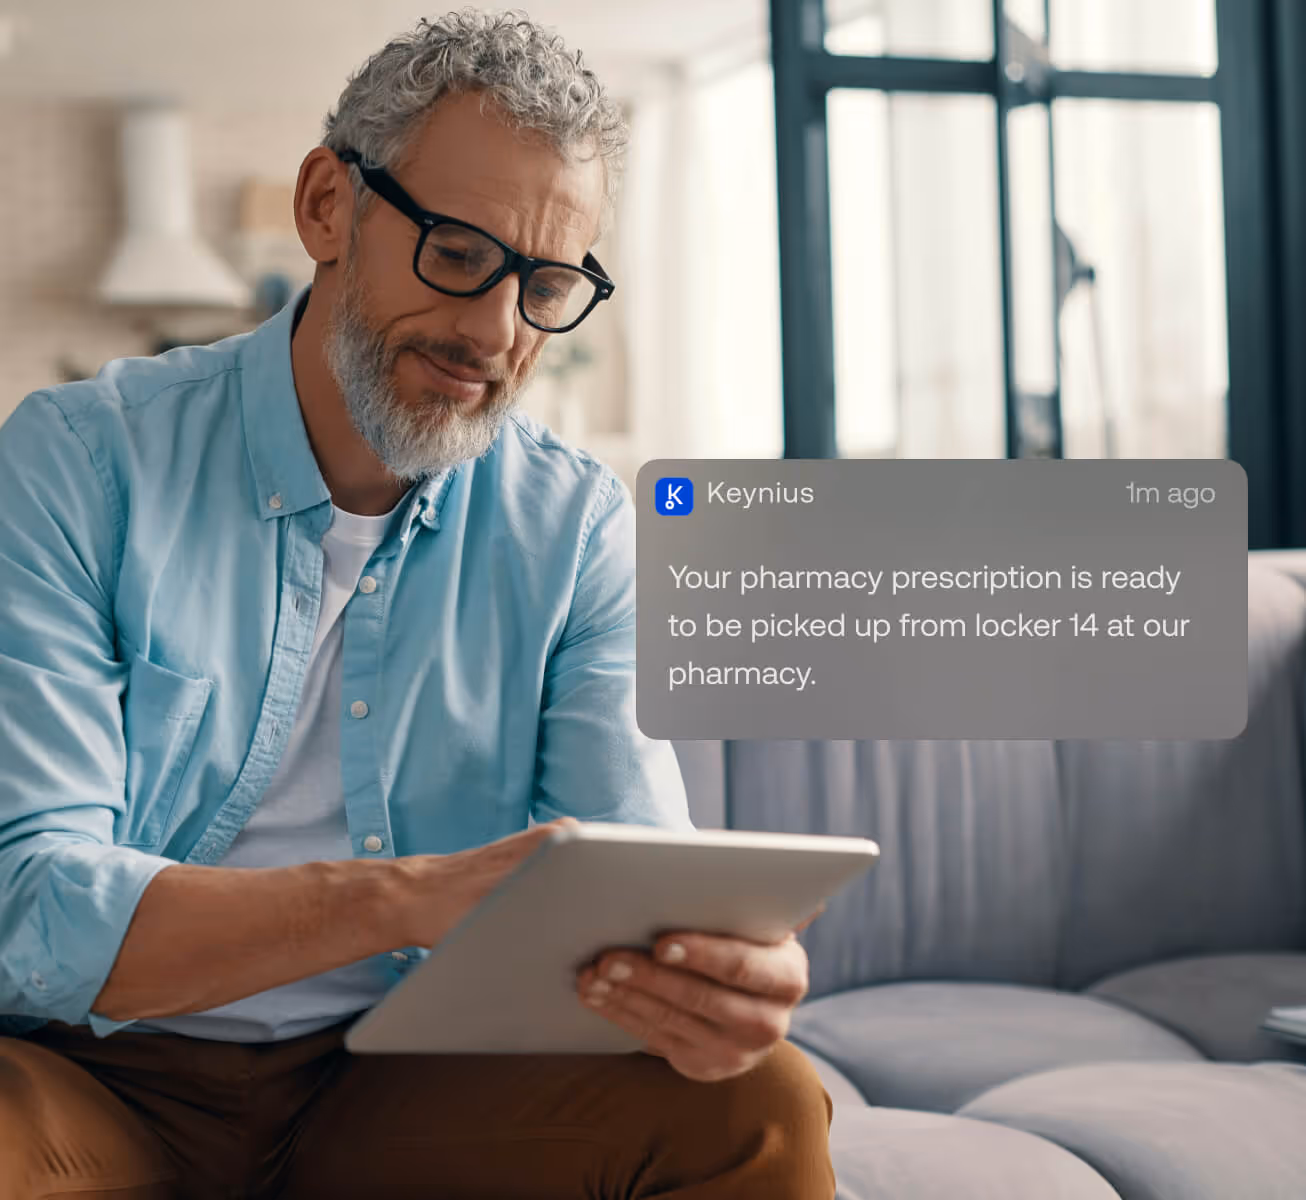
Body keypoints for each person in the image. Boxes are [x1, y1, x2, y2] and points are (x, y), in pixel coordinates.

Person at [0, 10, 835, 1198]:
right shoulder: (80, 462)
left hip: (394, 1087)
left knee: (757, 1104)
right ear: (327, 207)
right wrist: (405, 897)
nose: (493, 333)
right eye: (456, 253)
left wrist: (707, 984)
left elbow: (638, 883)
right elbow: (29, 909)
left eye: (546, 285)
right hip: (98, 1076)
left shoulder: (578, 527)